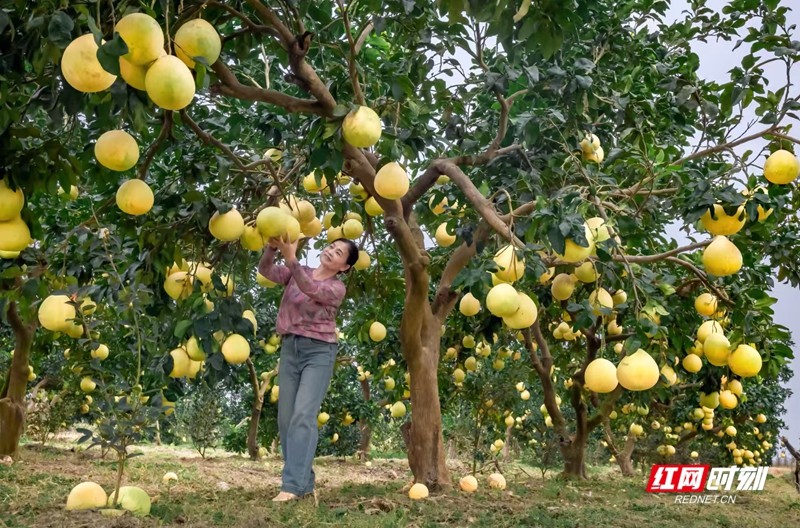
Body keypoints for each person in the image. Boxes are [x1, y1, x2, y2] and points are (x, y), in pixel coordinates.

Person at [258, 236, 359, 502]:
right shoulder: (298, 272)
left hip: (319, 352)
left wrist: (290, 259)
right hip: (290, 348)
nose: (330, 252)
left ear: (344, 267)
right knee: (287, 418)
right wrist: (271, 248)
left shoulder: (336, 288)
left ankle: (291, 486)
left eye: (338, 253)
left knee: (303, 415)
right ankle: (304, 483)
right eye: (330, 247)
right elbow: (266, 271)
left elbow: (311, 288)